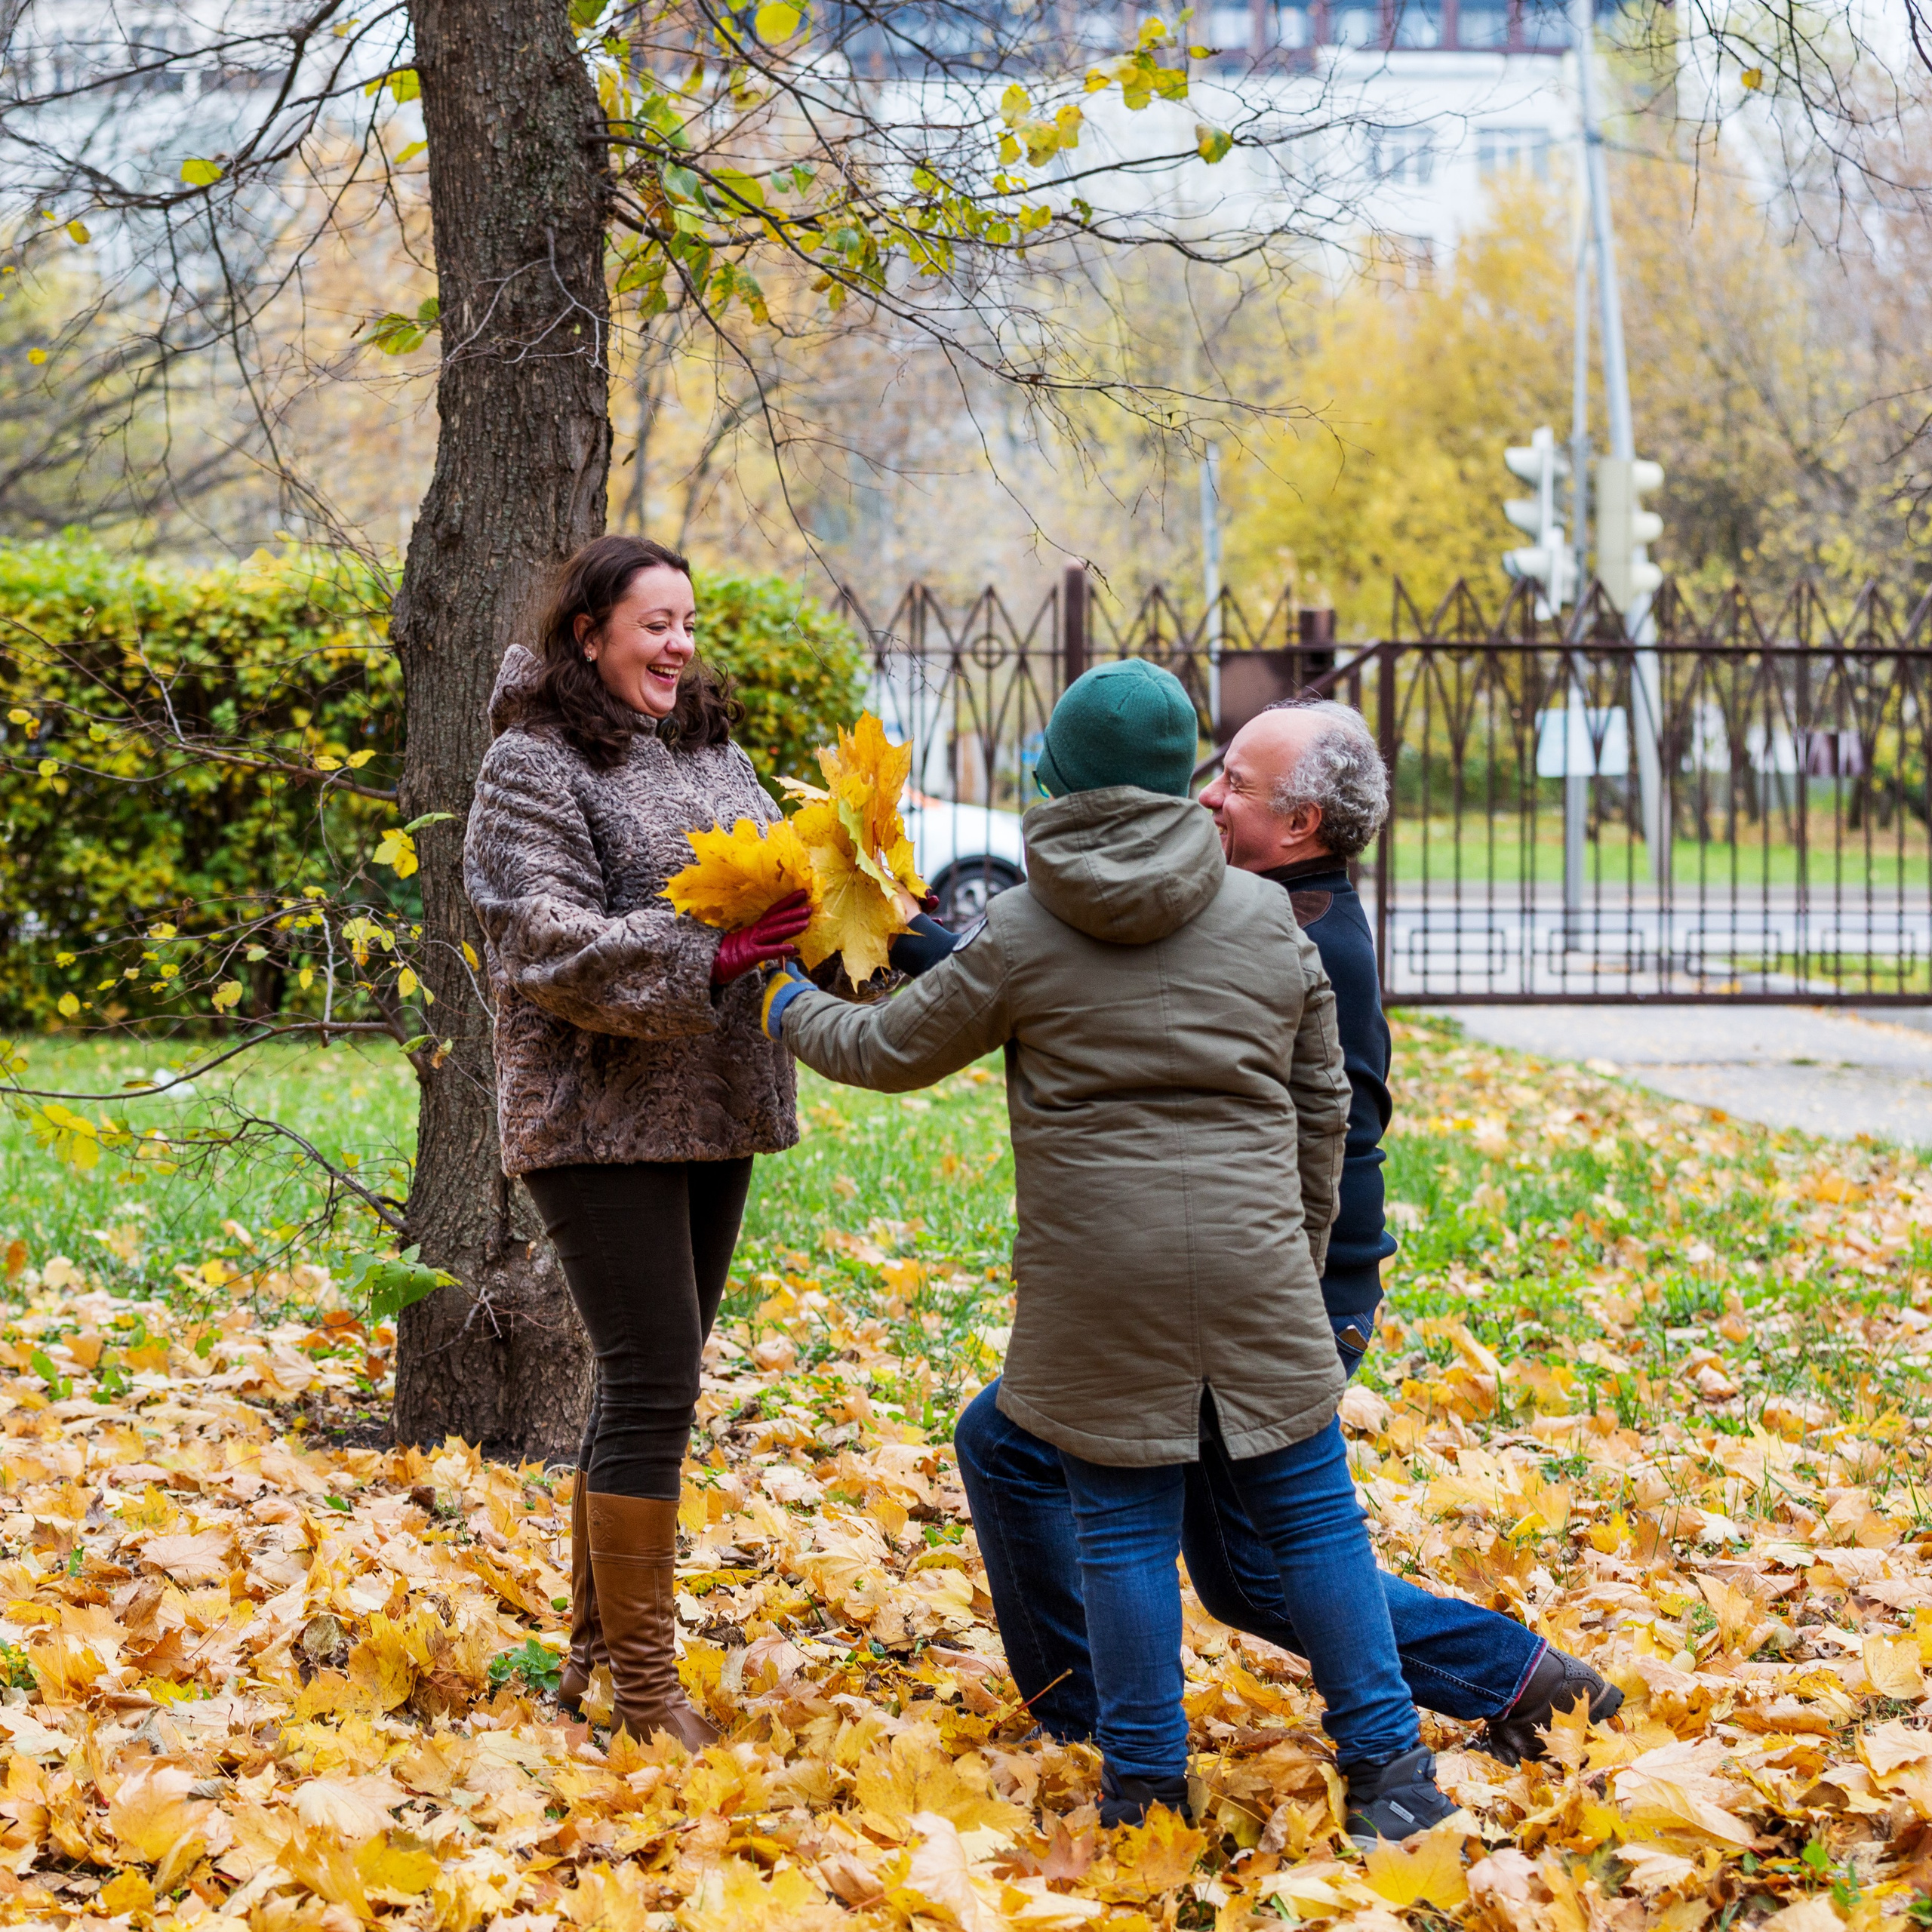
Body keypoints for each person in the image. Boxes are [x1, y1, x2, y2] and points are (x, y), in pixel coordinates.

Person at [761, 659, 1459, 1843]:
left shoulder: (1026, 931)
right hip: (1256, 1268)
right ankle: (1393, 1770)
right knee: (1314, 1517)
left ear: (1064, 784)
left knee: (1124, 1528)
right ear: (1175, 776)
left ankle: (1144, 1792)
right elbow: (1321, 1112)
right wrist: (1288, 1249)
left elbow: (885, 1049)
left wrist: (782, 1004)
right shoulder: (1268, 918)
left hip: (1096, 1284)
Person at [953, 698, 1623, 1773]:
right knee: (1027, 1458)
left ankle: (1520, 1683)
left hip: (1286, 1288)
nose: (1207, 796)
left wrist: (1308, 1290)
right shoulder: (1268, 908)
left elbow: (1335, 1130)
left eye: (1235, 785)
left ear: (1301, 826)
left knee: (1251, 1570)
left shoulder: (1298, 933)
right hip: (1261, 1280)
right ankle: (1081, 1704)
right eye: (1212, 770)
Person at [463, 534, 814, 1749]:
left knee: (646, 1381)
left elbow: (774, 883)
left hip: (714, 1104)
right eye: (654, 623)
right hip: (595, 1116)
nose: (678, 645)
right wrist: (703, 956)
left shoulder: (712, 749)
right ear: (589, 632)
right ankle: (647, 1692)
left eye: (689, 622)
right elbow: (537, 937)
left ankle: (591, 1660)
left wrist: (835, 913)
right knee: (659, 1377)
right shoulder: (531, 762)